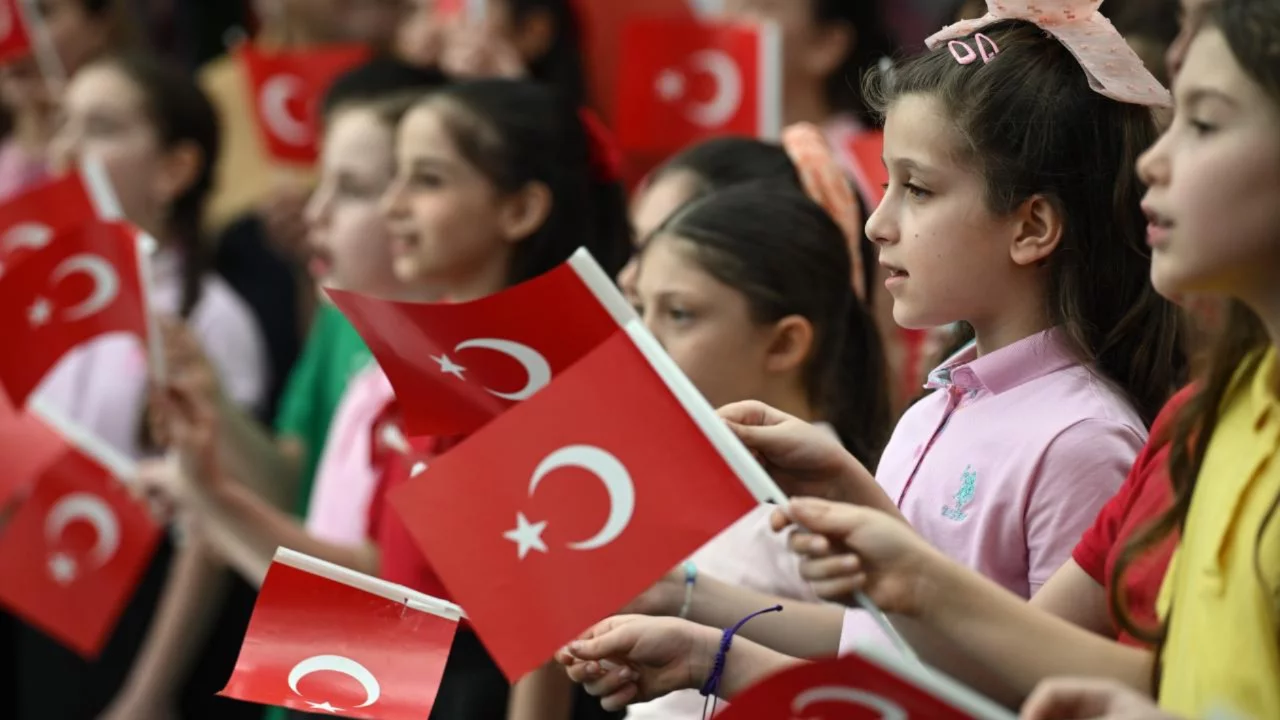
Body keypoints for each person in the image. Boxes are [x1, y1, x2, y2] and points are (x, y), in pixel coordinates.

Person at [557, 4, 1188, 711]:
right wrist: (692, 614)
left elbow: (1036, 689)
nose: (878, 224)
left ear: (1032, 225)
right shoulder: (935, 409)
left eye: (917, 189)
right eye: (886, 186)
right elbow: (876, 643)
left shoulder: (1081, 437)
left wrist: (716, 654)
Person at [147, 78, 632, 720]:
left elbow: (535, 643)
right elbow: (379, 586)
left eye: (426, 180)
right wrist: (210, 495)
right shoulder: (429, 374)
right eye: (394, 179)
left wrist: (214, 500)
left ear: (519, 210)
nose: (394, 205)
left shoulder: (540, 395)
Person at [13, 52, 268, 720]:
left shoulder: (209, 319)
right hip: (42, 585)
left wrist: (149, 690)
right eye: (65, 124)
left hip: (139, 625)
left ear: (175, 169)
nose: (69, 149)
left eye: (100, 127)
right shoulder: (44, 289)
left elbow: (211, 528)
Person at [625, 179, 891, 720]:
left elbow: (881, 644)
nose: (641, 338)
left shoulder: (823, 497)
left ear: (785, 342)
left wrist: (685, 598)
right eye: (639, 308)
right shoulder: (679, 474)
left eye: (679, 314)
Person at [0, 0, 134, 200]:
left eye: (41, 13)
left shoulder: (126, 144)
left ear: (100, 23)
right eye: (6, 17)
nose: (14, 40)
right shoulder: (8, 153)